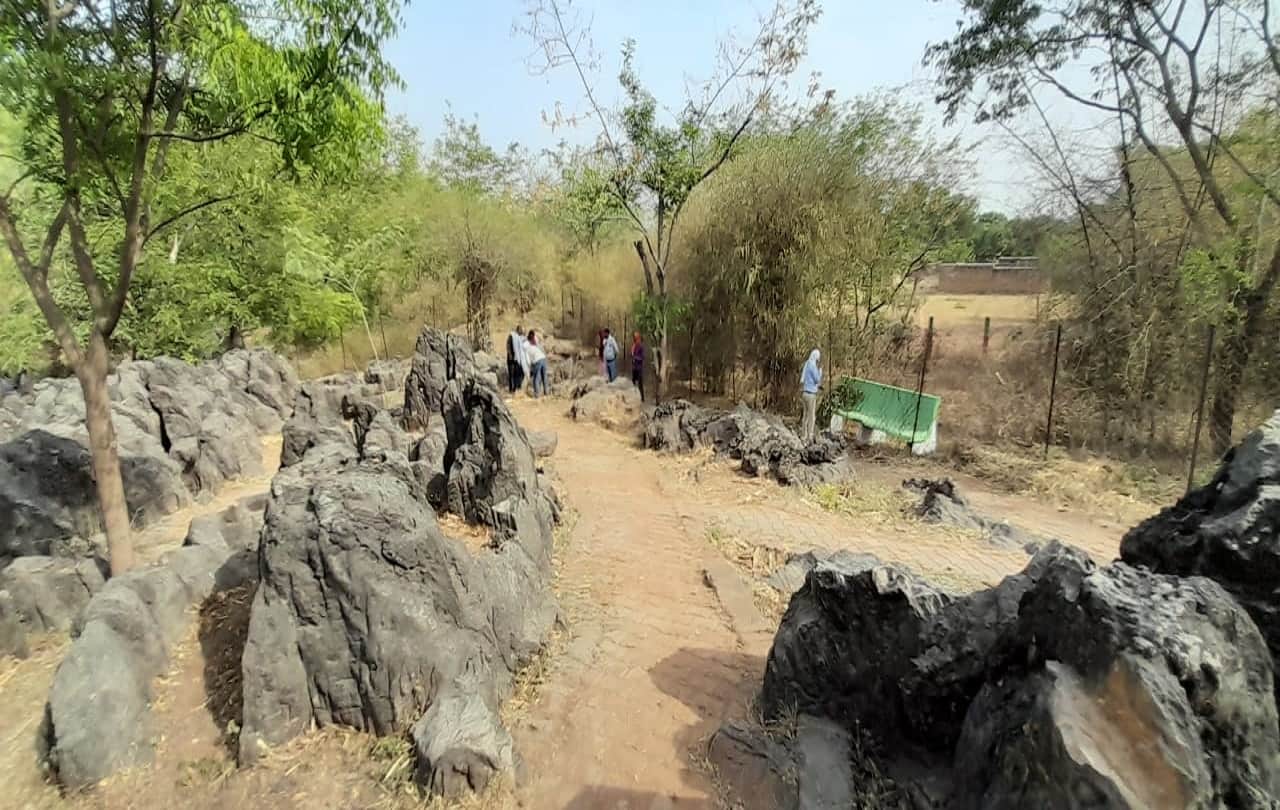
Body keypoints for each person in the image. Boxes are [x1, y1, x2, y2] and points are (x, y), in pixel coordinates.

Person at [801, 348, 822, 442]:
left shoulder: (807, 364)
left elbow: (803, 378)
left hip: (804, 393)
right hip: (811, 394)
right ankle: (810, 436)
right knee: (811, 416)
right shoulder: (813, 366)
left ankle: (803, 435)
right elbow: (817, 379)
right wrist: (820, 372)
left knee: (805, 416)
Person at [526, 330, 549, 398]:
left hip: (537, 361)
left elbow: (528, 361)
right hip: (543, 358)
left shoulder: (527, 349)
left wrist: (530, 369)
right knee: (544, 376)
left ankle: (537, 394)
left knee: (536, 378)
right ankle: (546, 393)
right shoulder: (536, 344)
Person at [506, 325, 526, 394]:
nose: (522, 332)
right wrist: (510, 355)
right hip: (511, 359)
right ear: (518, 330)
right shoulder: (511, 336)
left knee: (517, 374)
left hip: (517, 359)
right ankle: (511, 390)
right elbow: (508, 346)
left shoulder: (519, 337)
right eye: (521, 330)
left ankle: (516, 389)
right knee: (511, 374)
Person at [631, 332, 645, 401]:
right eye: (634, 337)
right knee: (633, 382)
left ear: (639, 338)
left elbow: (642, 357)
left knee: (640, 383)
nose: (634, 338)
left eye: (636, 337)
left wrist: (635, 357)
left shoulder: (641, 346)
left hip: (639, 367)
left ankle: (642, 398)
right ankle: (634, 396)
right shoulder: (634, 346)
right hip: (634, 367)